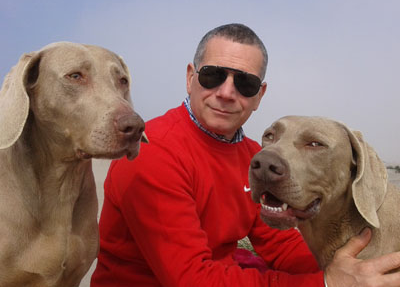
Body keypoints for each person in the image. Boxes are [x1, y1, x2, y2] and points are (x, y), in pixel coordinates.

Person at [91, 23, 400, 287]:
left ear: (259, 96)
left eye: (245, 83)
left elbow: (281, 245)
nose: (226, 92)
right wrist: (326, 282)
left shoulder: (255, 156)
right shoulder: (155, 151)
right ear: (190, 77)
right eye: (213, 75)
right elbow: (191, 279)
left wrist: (353, 270)